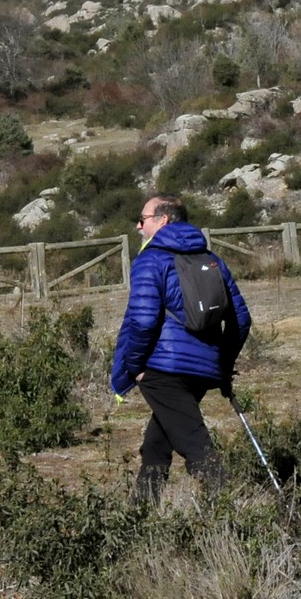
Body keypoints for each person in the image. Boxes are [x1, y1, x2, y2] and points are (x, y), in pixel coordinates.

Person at [110, 193, 251, 503]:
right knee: (157, 444)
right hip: (202, 369)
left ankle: (232, 508)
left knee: (194, 442)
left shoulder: (150, 260)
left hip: (162, 368)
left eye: (143, 219)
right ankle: (141, 510)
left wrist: (135, 367)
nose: (138, 226)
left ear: (163, 220)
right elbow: (241, 319)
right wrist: (222, 365)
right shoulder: (211, 259)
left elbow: (143, 321)